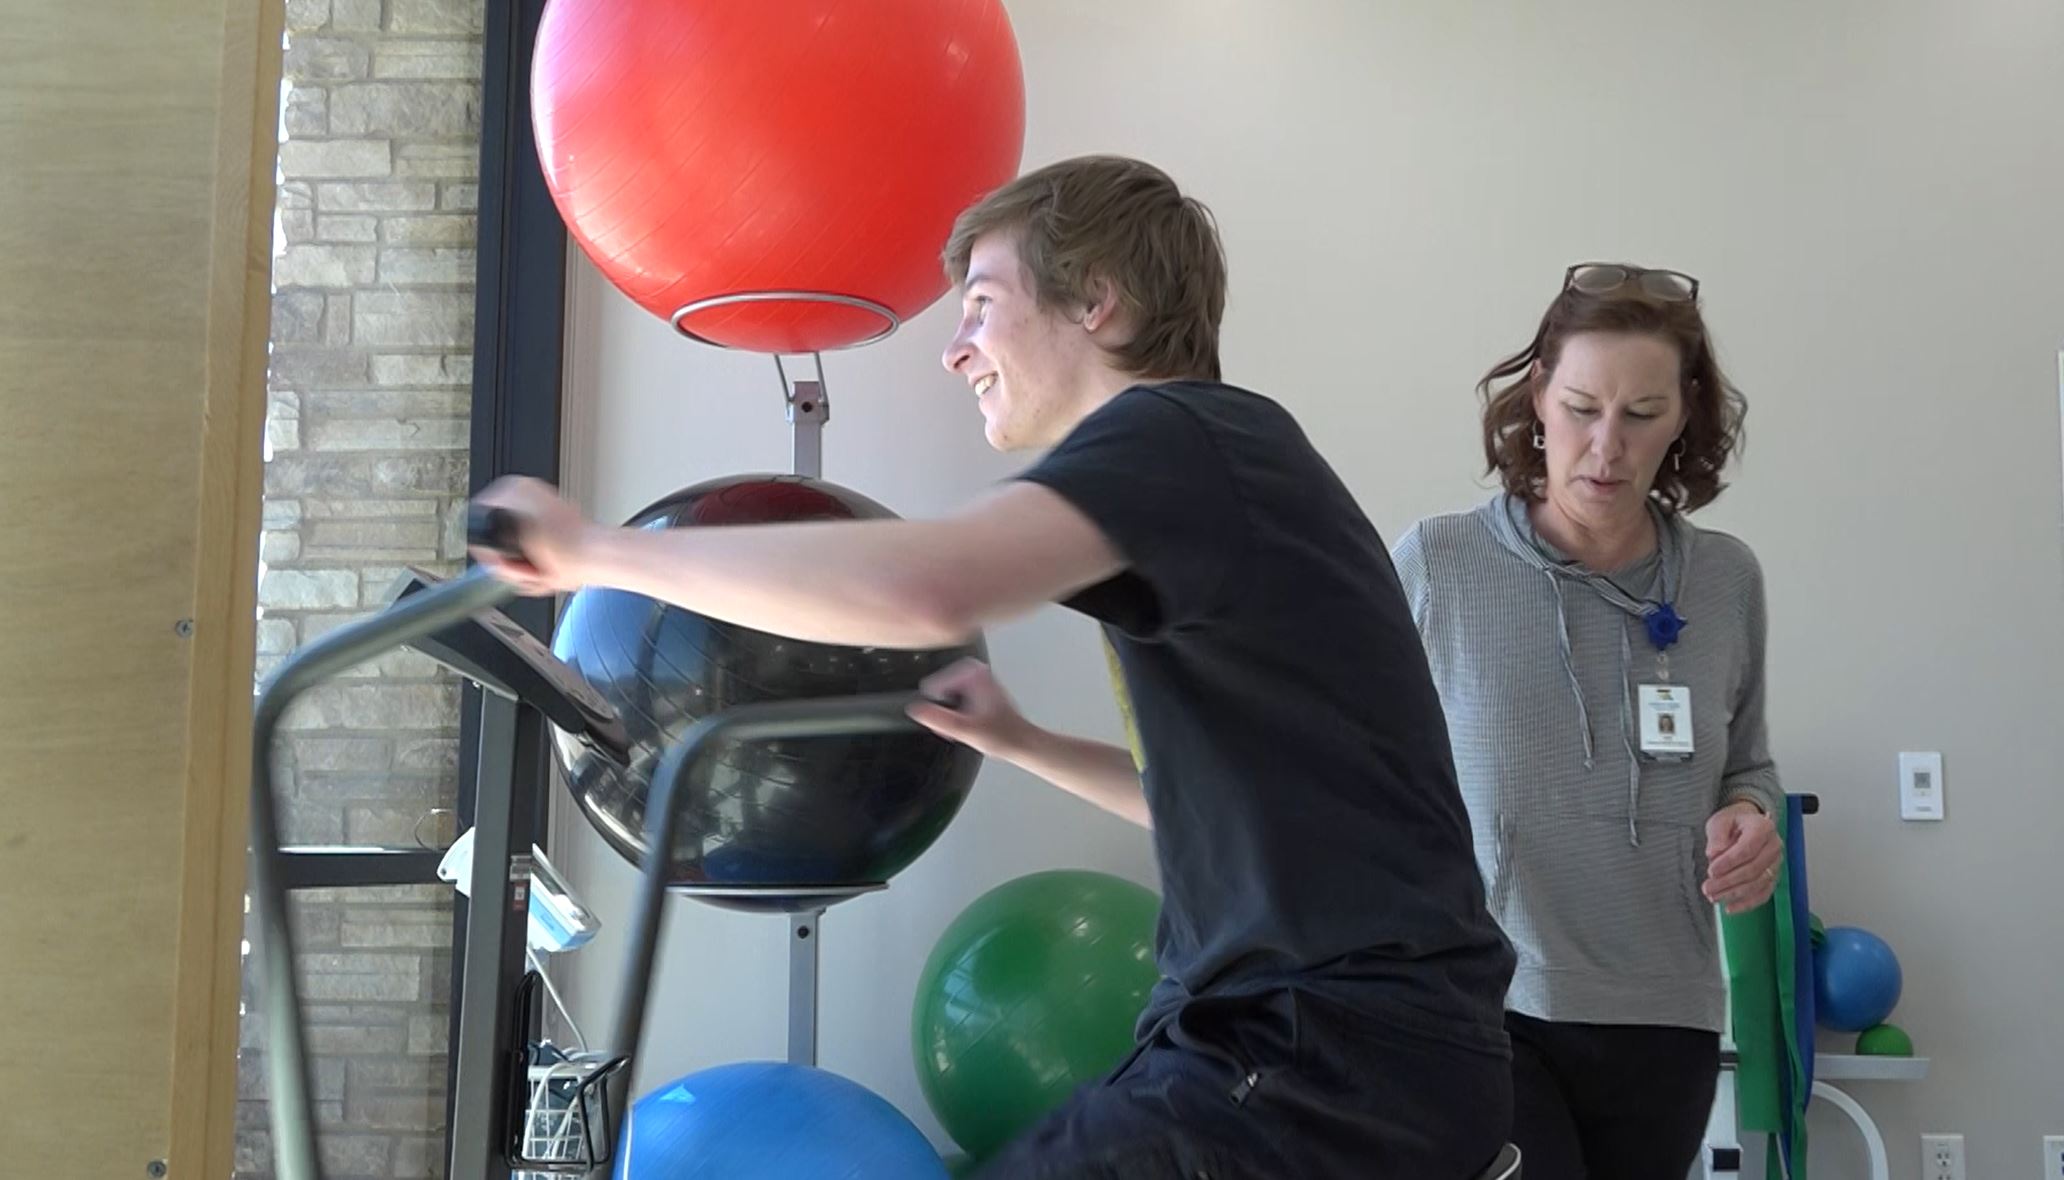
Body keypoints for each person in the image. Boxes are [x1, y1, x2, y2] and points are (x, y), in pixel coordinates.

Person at [472, 155, 1515, 1179]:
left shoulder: (1181, 432)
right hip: (1338, 1047)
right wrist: (1019, 741)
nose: (955, 351)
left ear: (1098, 303)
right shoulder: (1217, 465)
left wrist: (593, 552)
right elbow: (1193, 804)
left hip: (1321, 1053)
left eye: (979, 305)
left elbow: (927, 584)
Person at [1391, 262, 1788, 1180]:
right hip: (1484, 1003)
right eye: (1581, 407)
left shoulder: (1727, 582)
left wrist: (1754, 818)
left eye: (1642, 415)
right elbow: (1358, 772)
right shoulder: (1439, 564)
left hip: (1669, 1012)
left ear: (1684, 414)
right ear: (1537, 397)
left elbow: (1750, 765)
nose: (1606, 447)